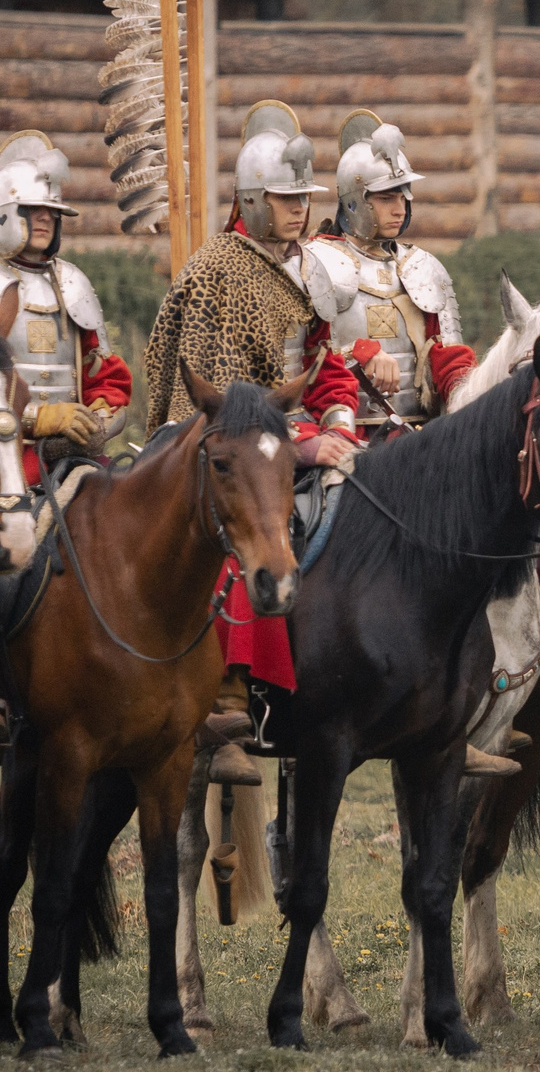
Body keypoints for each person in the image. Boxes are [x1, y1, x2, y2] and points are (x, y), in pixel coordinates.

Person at [142, 102, 362, 781]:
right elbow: (222, 414)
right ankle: (229, 698)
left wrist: (339, 426)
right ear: (250, 200)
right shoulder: (216, 274)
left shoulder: (314, 270)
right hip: (226, 453)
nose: (299, 210)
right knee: (251, 535)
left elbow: (327, 368)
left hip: (299, 437)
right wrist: (299, 447)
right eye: (285, 199)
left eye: (304, 198)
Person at [0, 131, 133, 741]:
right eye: (36, 212)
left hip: (71, 461)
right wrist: (42, 420)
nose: (46, 222)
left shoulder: (73, 285)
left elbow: (109, 377)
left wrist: (98, 414)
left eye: (54, 214)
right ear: (4, 214)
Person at [305, 112, 476, 439]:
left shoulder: (423, 268)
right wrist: (357, 352)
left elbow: (445, 355)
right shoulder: (316, 263)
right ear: (355, 201)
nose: (399, 208)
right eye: (386, 198)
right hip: (338, 436)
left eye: (403, 196)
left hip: (418, 438)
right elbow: (299, 358)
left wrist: (465, 390)